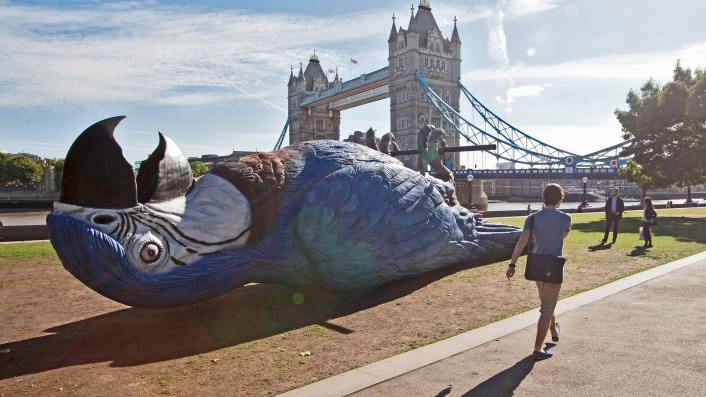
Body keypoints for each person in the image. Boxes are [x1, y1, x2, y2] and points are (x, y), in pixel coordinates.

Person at [506, 183, 571, 361]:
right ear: (560, 199)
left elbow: (522, 242)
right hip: (553, 267)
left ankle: (553, 329)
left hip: (536, 267)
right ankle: (537, 349)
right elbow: (563, 236)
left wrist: (512, 264)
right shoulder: (566, 218)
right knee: (547, 308)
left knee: (546, 304)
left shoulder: (532, 218)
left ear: (543, 197)